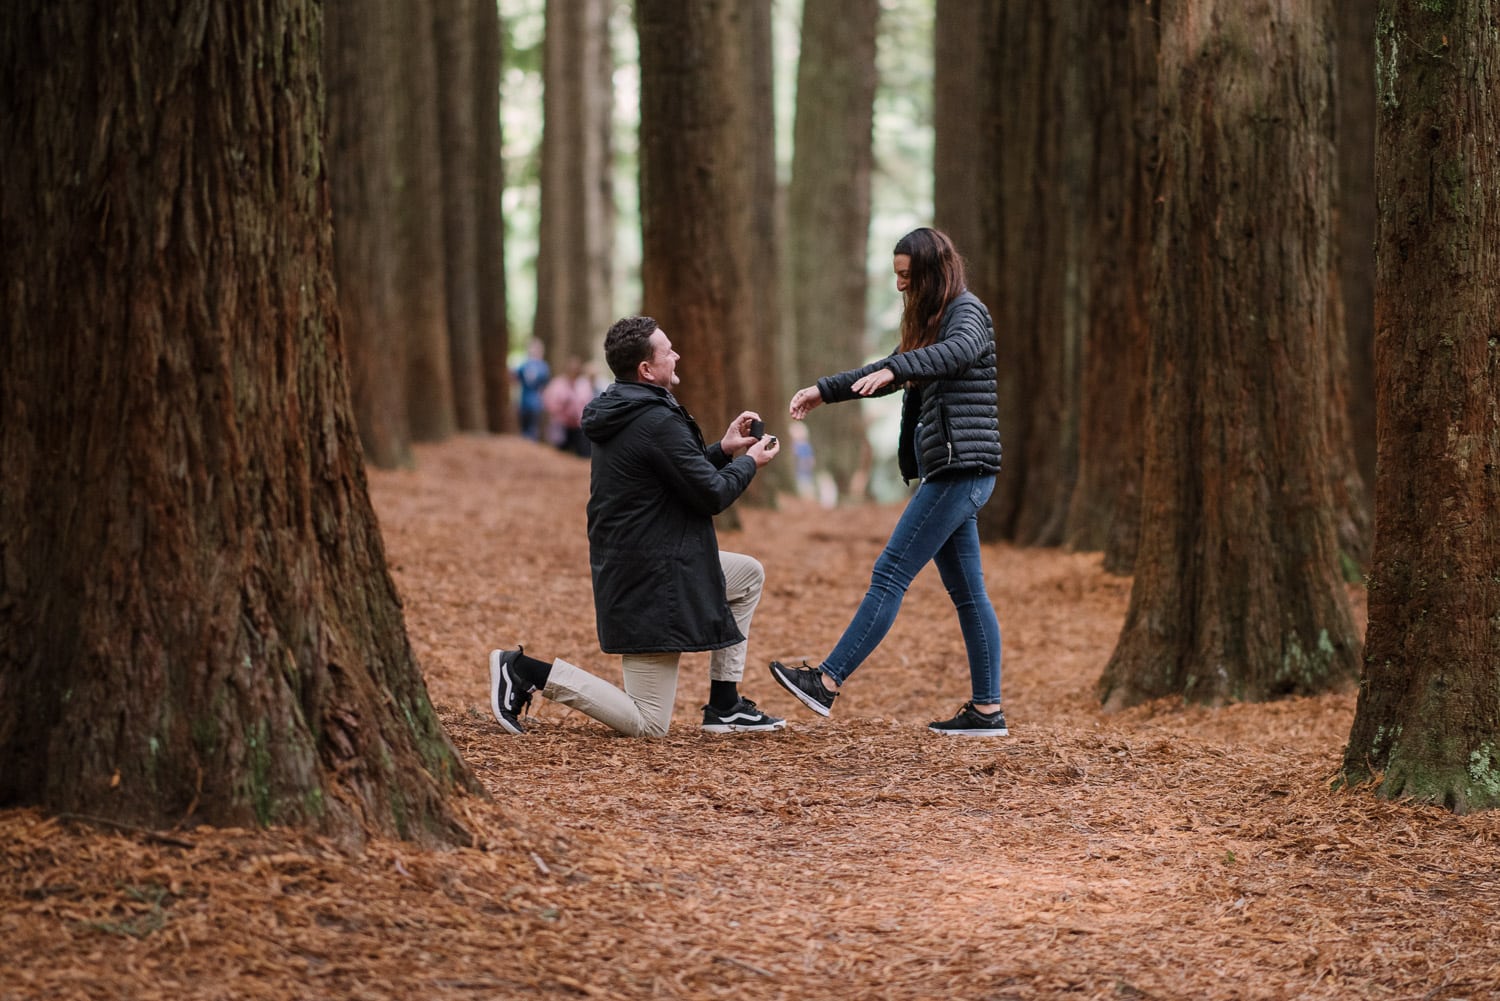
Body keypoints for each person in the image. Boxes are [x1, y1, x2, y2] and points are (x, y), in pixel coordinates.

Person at [489, 315, 785, 736]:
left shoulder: (630, 409)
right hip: (652, 580)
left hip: (650, 562)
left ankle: (725, 704)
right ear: (646, 369)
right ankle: (524, 670)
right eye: (668, 350)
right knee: (649, 724)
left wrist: (723, 449)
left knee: (747, 574)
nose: (676, 354)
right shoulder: (654, 419)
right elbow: (712, 495)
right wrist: (750, 462)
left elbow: (677, 471)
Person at [768, 227, 1008, 736]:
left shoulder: (967, 313)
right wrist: (824, 391)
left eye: (907, 276)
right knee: (969, 595)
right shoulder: (933, 321)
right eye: (897, 276)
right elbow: (890, 370)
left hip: (962, 470)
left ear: (931, 272)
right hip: (953, 470)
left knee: (890, 572)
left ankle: (827, 682)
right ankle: (988, 711)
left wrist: (900, 367)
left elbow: (956, 354)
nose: (900, 286)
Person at [512, 339, 550, 442]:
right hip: (525, 402)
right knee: (526, 428)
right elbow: (515, 379)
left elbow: (544, 387)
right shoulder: (526, 365)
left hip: (534, 402)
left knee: (532, 429)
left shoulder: (542, 367)